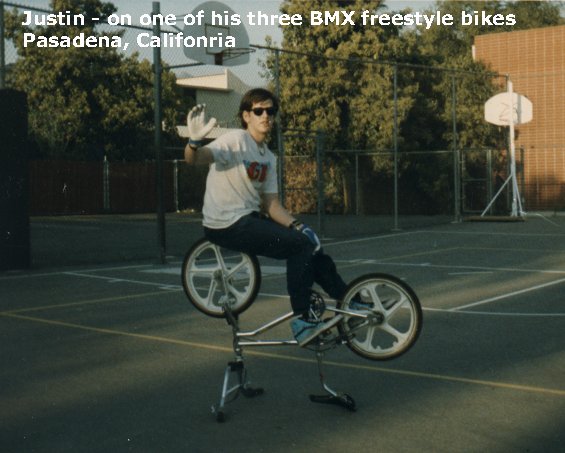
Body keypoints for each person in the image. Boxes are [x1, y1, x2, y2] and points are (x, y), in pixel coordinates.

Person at [184, 88, 370, 346]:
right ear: (246, 116)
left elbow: (271, 205)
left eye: (270, 111)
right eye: (258, 111)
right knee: (298, 247)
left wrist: (299, 226)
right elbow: (195, 159)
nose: (266, 116)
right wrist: (193, 143)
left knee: (311, 247)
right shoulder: (236, 140)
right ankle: (303, 321)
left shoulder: (269, 158)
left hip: (249, 219)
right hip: (225, 223)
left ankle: (350, 301)